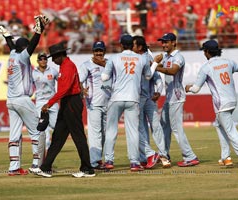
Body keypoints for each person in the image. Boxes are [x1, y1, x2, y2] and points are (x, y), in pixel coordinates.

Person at [185, 39, 238, 169]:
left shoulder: (206, 67)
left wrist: (188, 88)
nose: (204, 54)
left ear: (207, 52)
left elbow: (196, 89)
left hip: (221, 104)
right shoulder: (228, 62)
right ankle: (225, 158)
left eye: (204, 51)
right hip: (232, 100)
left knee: (230, 131)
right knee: (219, 125)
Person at [0, 15, 49, 176]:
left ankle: (14, 167)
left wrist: (6, 35)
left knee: (14, 134)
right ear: (23, 48)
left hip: (10, 100)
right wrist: (39, 31)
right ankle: (36, 164)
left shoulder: (12, 55)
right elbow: (32, 45)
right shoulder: (22, 56)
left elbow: (11, 44)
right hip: (22, 99)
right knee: (37, 131)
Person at [33, 42, 95, 178]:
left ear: (60, 55)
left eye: (54, 57)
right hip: (68, 102)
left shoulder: (67, 66)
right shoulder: (64, 66)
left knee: (78, 136)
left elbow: (64, 89)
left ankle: (87, 169)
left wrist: (49, 103)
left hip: (72, 102)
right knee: (58, 137)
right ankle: (45, 167)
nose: (53, 61)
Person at [101, 34, 152, 171]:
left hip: (116, 97)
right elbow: (148, 76)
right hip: (133, 98)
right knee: (133, 131)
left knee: (111, 130)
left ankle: (109, 161)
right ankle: (134, 162)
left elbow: (104, 77)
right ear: (132, 45)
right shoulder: (141, 58)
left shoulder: (114, 58)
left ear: (121, 45)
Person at [153, 32, 199, 167]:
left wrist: (155, 65)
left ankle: (190, 156)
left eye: (166, 42)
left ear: (174, 42)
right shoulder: (166, 57)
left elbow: (173, 71)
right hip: (169, 97)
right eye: (163, 42)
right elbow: (159, 68)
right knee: (164, 126)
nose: (164, 44)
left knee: (176, 128)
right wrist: (154, 64)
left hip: (177, 97)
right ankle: (164, 154)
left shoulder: (178, 57)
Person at [132, 35, 170, 169]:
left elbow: (156, 78)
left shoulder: (145, 59)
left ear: (140, 47)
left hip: (146, 98)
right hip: (139, 98)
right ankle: (147, 157)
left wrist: (158, 91)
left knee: (152, 127)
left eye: (134, 45)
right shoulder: (140, 59)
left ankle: (162, 156)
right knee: (143, 127)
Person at [79, 41, 110, 170]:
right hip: (94, 103)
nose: (98, 53)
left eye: (101, 51)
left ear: (104, 51)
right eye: (96, 51)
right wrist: (82, 90)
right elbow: (79, 80)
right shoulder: (86, 65)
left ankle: (97, 159)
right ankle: (94, 161)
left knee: (104, 134)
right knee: (95, 133)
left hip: (108, 103)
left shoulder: (109, 64)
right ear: (92, 52)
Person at [31, 52, 59, 170]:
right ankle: (39, 161)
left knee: (56, 126)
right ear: (37, 61)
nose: (43, 60)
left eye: (45, 59)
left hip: (52, 102)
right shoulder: (33, 73)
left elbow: (61, 82)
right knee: (41, 131)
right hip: (40, 103)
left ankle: (47, 158)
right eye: (41, 59)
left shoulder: (53, 71)